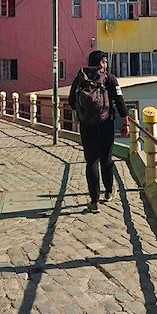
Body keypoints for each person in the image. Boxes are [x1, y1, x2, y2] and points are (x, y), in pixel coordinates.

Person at [68, 50, 128, 213]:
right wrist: (125, 123)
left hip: (87, 126)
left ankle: (94, 201)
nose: (106, 64)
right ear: (101, 62)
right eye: (105, 61)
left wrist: (83, 113)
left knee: (91, 161)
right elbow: (120, 101)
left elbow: (71, 101)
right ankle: (109, 192)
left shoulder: (80, 78)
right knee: (106, 159)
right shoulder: (109, 78)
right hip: (105, 123)